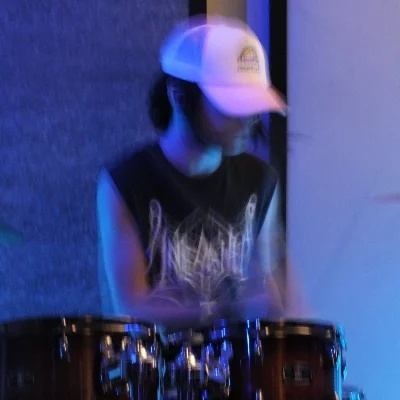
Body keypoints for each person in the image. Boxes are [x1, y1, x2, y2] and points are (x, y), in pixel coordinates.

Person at [97, 15, 308, 330]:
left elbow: (272, 287)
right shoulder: (126, 181)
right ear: (179, 96)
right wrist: (228, 307)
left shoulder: (260, 180)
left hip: (242, 361)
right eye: (233, 106)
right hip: (162, 361)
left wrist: (283, 306)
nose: (249, 119)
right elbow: (131, 309)